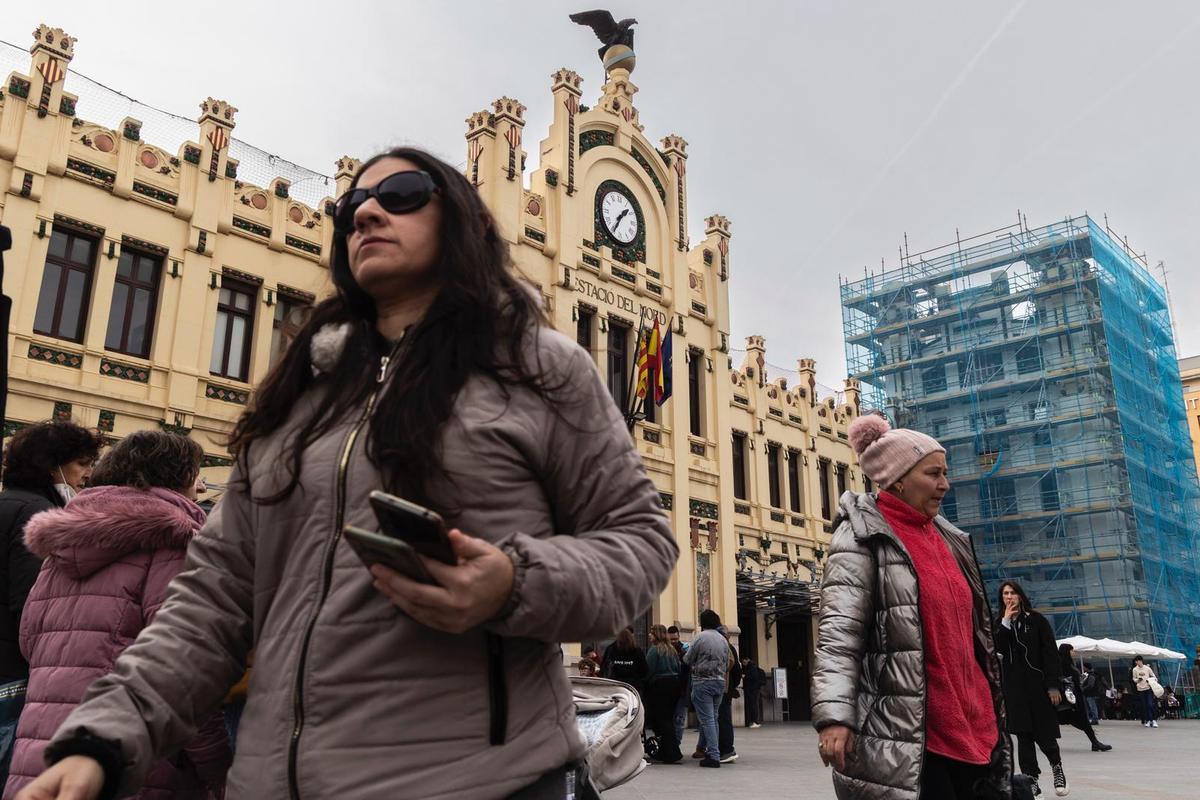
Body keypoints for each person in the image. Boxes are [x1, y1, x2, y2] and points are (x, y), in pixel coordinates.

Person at [16, 147, 678, 800]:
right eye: (351, 205)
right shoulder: (301, 398)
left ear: (463, 221)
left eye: (401, 195)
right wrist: (105, 736)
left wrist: (513, 583)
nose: (366, 214)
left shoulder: (537, 368)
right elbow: (212, 598)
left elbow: (641, 539)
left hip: (478, 782)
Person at [3, 431, 230, 800]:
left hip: (44, 760)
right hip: (133, 764)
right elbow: (185, 673)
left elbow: (29, 641)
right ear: (175, 477)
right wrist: (218, 768)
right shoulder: (174, 542)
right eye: (196, 475)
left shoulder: (64, 543)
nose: (200, 487)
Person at [812, 413, 1010, 800]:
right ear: (897, 479)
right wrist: (834, 717)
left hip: (976, 729)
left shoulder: (951, 539)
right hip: (912, 732)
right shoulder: (860, 538)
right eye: (933, 474)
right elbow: (839, 635)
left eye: (945, 473)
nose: (945, 485)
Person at [0, 421, 102, 784]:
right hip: (12, 671)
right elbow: (33, 602)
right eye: (81, 464)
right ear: (51, 465)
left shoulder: (7, 503)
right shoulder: (39, 516)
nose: (87, 475)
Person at [995, 580, 1069, 796]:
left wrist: (1053, 685)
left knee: (1044, 733)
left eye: (1013, 593)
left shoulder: (1037, 620)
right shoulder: (999, 623)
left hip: (1038, 687)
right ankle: (1031, 781)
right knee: (1023, 737)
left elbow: (1050, 655)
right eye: (1005, 594)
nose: (1009, 597)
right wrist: (1006, 622)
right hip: (1014, 689)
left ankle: (1057, 768)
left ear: (1020, 595)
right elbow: (997, 650)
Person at [684, 610, 728, 768]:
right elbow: (726, 662)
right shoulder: (723, 639)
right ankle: (710, 751)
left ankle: (714, 755)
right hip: (719, 682)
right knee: (713, 718)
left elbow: (687, 659)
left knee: (707, 720)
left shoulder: (700, 637)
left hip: (703, 682)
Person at [1056, 645, 1110, 753]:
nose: (1073, 652)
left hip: (1077, 696)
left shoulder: (1069, 663)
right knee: (1078, 720)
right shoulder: (1061, 665)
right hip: (1070, 698)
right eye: (1072, 650)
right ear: (1067, 651)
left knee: (1082, 721)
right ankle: (1095, 743)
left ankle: (1095, 743)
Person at [642, 625, 682, 764]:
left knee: (662, 720)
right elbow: (678, 667)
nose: (649, 635)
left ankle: (672, 753)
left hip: (660, 686)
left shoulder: (654, 650)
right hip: (674, 684)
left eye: (652, 633)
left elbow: (648, 670)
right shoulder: (671, 650)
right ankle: (667, 751)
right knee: (668, 719)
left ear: (657, 635)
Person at [715, 626, 741, 763]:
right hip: (726, 688)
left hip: (724, 688)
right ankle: (721, 748)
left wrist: (730, 687)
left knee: (723, 719)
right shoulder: (729, 647)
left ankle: (726, 749)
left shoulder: (727, 648)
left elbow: (735, 670)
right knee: (722, 718)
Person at [602, 628, 648, 695]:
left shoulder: (611, 649)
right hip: (633, 687)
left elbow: (604, 667)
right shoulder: (637, 651)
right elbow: (644, 671)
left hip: (614, 686)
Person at [666, 625, 689, 748]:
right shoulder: (664, 650)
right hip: (669, 690)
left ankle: (677, 745)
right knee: (669, 719)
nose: (674, 642)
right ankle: (670, 745)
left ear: (679, 637)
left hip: (682, 690)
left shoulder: (684, 650)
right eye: (671, 640)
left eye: (675, 639)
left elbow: (688, 667)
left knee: (679, 720)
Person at [1131, 656, 1158, 728]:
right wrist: (1137, 680)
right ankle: (1148, 720)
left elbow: (1154, 677)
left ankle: (1154, 720)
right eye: (1135, 662)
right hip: (1140, 689)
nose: (1136, 663)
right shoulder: (1135, 669)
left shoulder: (1147, 668)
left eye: (1137, 661)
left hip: (1148, 688)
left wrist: (1149, 680)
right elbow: (1134, 678)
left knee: (1150, 704)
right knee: (1144, 706)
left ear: (1141, 661)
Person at [741, 657, 766, 728]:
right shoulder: (752, 667)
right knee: (753, 705)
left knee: (753, 705)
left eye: (744, 662)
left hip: (753, 690)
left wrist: (745, 676)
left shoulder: (751, 668)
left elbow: (753, 678)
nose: (744, 664)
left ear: (747, 661)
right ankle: (753, 721)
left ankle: (755, 721)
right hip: (753, 689)